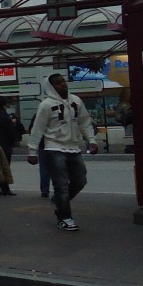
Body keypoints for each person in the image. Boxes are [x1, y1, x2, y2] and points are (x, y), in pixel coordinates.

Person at [27, 73, 97, 232]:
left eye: (63, 81)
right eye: (58, 83)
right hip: (53, 147)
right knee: (61, 184)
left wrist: (91, 140)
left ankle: (59, 201)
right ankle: (64, 218)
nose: (63, 84)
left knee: (80, 181)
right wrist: (32, 151)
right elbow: (38, 129)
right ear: (51, 87)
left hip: (74, 147)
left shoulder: (76, 101)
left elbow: (85, 122)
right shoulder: (46, 105)